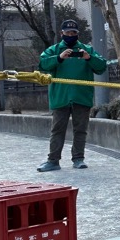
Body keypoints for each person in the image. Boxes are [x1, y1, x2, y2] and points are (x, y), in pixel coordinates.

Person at [36, 19, 107, 172]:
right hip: (60, 96)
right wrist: (59, 58)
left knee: (80, 129)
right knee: (57, 130)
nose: (70, 35)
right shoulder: (53, 50)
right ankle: (53, 160)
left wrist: (89, 58)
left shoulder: (87, 49)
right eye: (67, 32)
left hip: (81, 96)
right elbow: (42, 65)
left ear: (77, 34)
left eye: (73, 32)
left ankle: (78, 158)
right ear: (62, 33)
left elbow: (102, 66)